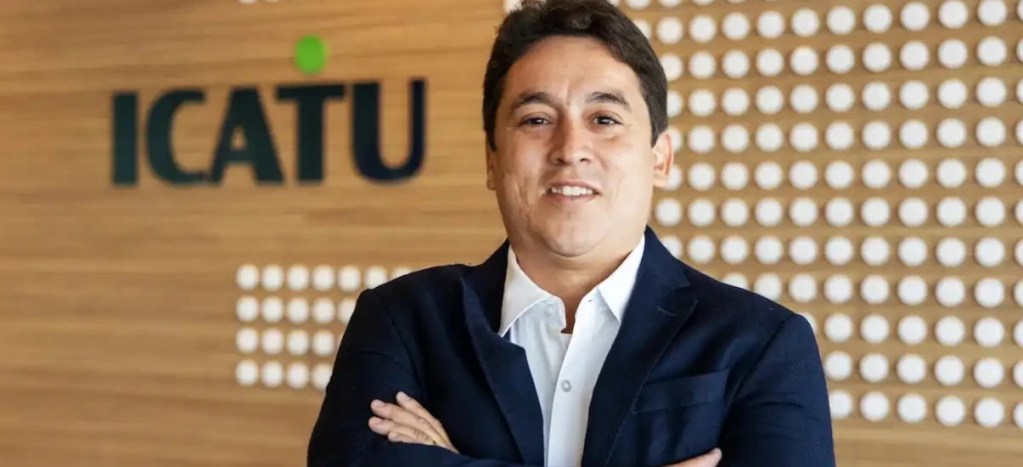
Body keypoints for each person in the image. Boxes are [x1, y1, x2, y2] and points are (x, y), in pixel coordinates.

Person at [307, 0, 834, 465]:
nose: (570, 148)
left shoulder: (762, 344)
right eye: (536, 119)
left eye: (604, 118)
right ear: (492, 160)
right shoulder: (402, 322)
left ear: (660, 159)